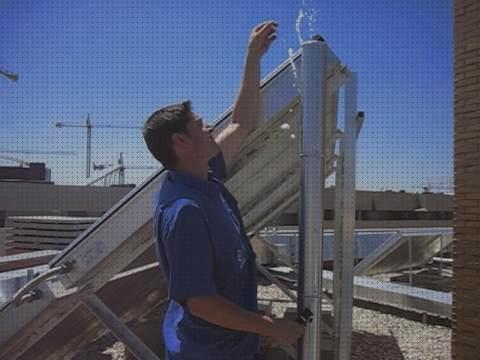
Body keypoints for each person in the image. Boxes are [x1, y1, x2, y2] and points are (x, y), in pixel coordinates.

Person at [142, 21, 305, 360]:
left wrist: (253, 56)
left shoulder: (204, 176)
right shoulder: (184, 210)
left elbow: (242, 123)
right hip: (206, 352)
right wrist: (271, 329)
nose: (211, 127)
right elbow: (201, 303)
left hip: (226, 346)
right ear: (181, 142)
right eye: (201, 125)